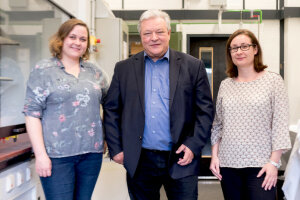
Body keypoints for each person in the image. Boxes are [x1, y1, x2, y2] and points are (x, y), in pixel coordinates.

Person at [103, 9, 214, 200]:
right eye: (147, 33)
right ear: (141, 36)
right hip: (140, 159)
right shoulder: (124, 69)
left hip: (181, 157)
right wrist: (116, 149)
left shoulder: (192, 66)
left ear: (169, 33)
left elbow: (205, 111)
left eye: (160, 32)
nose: (154, 38)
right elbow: (111, 110)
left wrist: (194, 144)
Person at [23, 18, 108, 200]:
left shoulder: (95, 72)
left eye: (83, 39)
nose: (78, 42)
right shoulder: (43, 70)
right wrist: (40, 155)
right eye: (73, 37)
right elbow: (32, 114)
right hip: (56, 156)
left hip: (91, 154)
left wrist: (107, 137)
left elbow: (111, 106)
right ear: (61, 39)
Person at [209, 29, 291, 200]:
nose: (239, 51)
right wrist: (214, 157)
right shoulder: (226, 85)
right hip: (228, 165)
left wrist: (274, 163)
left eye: (244, 46)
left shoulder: (273, 81)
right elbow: (218, 125)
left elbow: (280, 124)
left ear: (255, 49)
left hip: (261, 165)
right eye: (234, 48)